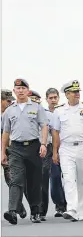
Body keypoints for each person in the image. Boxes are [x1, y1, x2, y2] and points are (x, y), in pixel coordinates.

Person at [51, 80, 83, 221]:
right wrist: (55, 151)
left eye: (78, 91)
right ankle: (71, 208)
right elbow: (55, 132)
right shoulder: (59, 111)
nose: (77, 94)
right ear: (67, 94)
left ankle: (81, 211)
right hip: (66, 148)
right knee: (68, 179)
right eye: (74, 92)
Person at [2, 78, 48, 224]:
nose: (20, 91)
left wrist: (44, 144)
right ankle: (12, 211)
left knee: (34, 181)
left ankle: (36, 212)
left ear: (27, 90)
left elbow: (44, 126)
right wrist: (3, 152)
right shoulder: (9, 111)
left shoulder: (36, 107)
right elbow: (5, 133)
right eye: (18, 89)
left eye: (23, 88)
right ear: (14, 91)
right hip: (15, 148)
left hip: (34, 146)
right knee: (16, 179)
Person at [1, 89, 28, 220]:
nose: (10, 102)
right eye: (7, 101)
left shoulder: (13, 112)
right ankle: (19, 206)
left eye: (11, 100)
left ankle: (15, 209)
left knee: (12, 180)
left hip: (11, 151)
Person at [29, 90, 53, 221]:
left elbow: (54, 132)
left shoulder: (47, 114)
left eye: (35, 99)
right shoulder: (22, 113)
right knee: (30, 180)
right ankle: (34, 208)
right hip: (29, 149)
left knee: (43, 178)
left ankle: (41, 210)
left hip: (45, 148)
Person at [45, 87, 68, 217]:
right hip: (51, 149)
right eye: (51, 98)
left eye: (55, 97)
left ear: (59, 98)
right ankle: (60, 205)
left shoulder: (64, 111)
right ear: (46, 99)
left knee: (70, 178)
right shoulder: (43, 113)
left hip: (66, 147)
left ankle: (70, 204)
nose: (53, 100)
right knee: (54, 178)